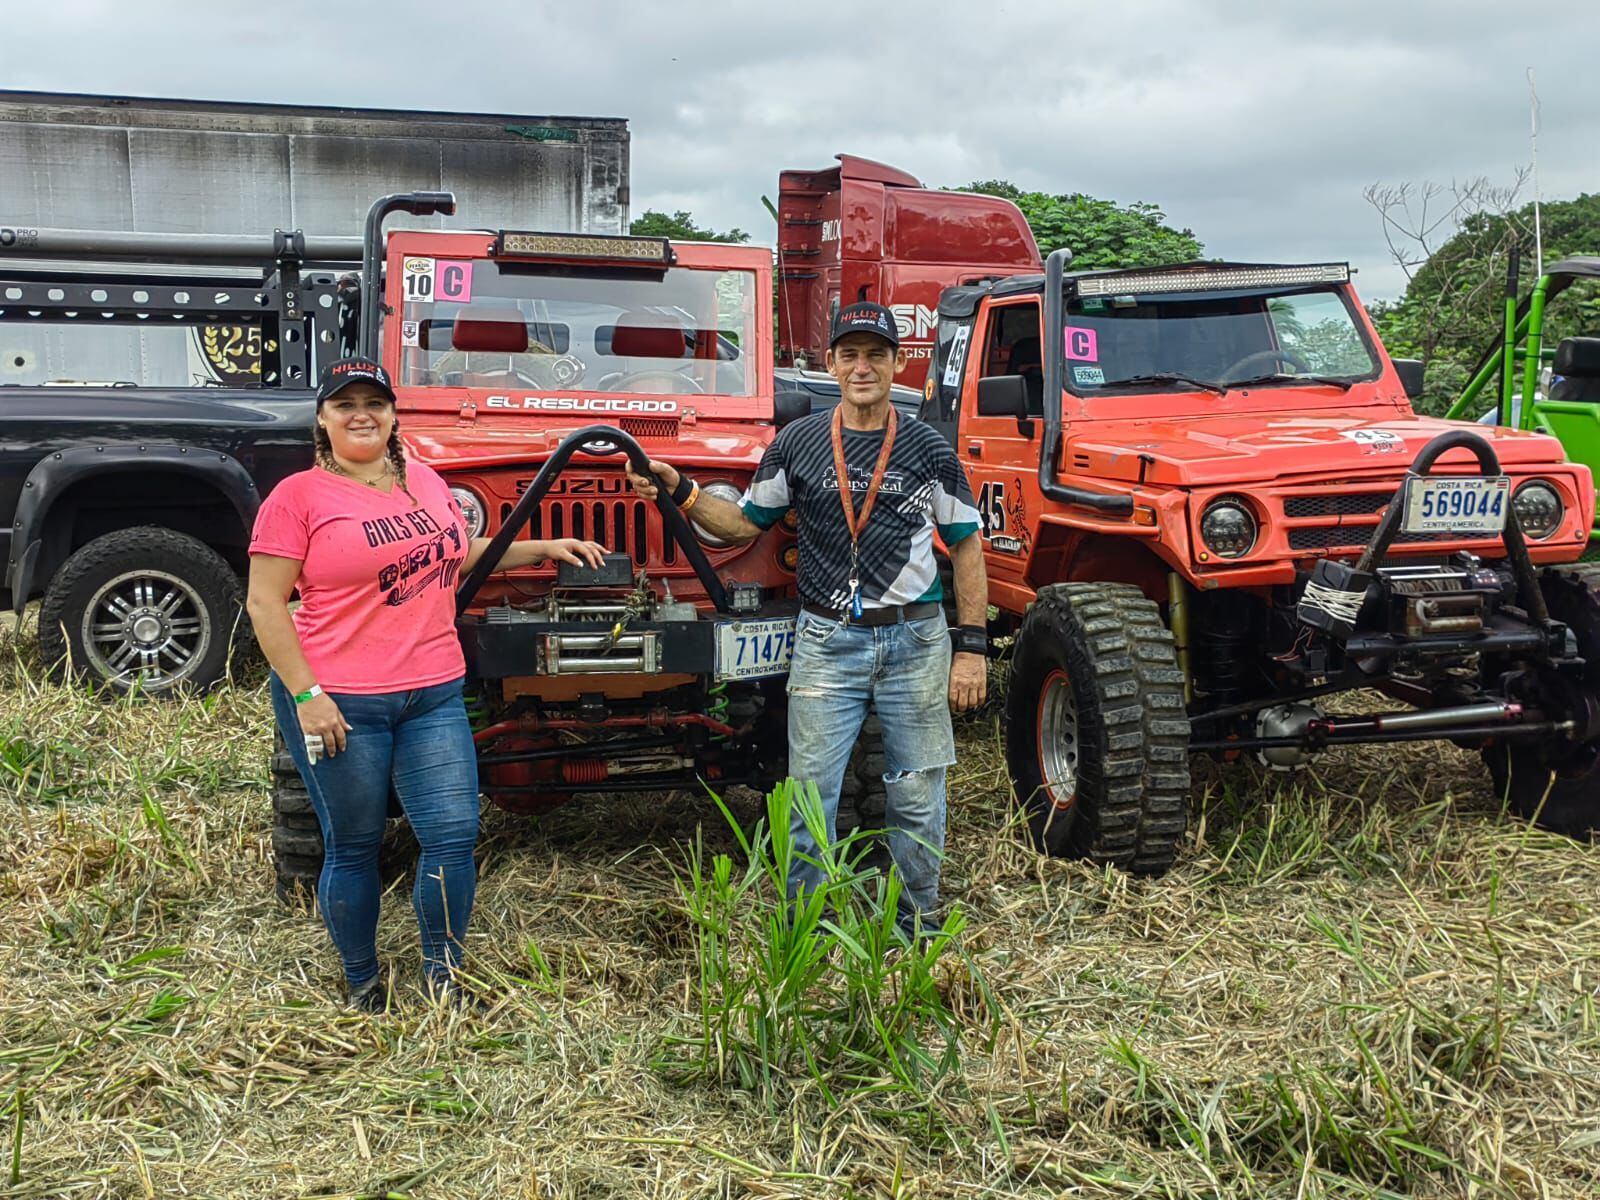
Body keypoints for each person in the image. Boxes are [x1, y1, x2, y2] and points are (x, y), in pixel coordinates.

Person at [247, 357, 604, 1011]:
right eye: (345, 403)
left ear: (392, 415)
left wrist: (542, 546)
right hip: (342, 700)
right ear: (322, 419)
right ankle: (362, 982)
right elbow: (266, 605)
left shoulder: (424, 481)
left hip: (433, 693)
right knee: (354, 844)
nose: (362, 414)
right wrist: (306, 696)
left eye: (374, 403)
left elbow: (452, 550)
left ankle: (443, 976)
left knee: (451, 836)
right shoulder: (296, 499)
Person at [627, 302, 988, 932]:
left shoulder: (929, 448)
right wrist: (678, 491)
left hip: (915, 639)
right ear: (831, 364)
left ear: (899, 363)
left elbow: (965, 543)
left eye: (877, 354)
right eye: (849, 354)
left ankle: (915, 928)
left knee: (917, 792)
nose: (863, 367)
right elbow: (743, 522)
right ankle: (809, 932)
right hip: (825, 639)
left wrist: (973, 647)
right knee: (808, 799)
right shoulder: (797, 443)